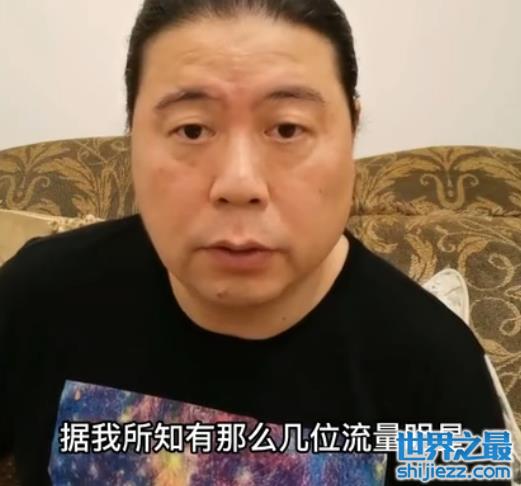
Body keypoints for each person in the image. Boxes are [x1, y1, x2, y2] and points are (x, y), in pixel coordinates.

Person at [0, 0, 509, 484]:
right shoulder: (35, 298)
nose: (239, 183)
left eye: (287, 128)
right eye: (192, 130)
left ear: (352, 130)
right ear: (131, 134)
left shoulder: (440, 370)